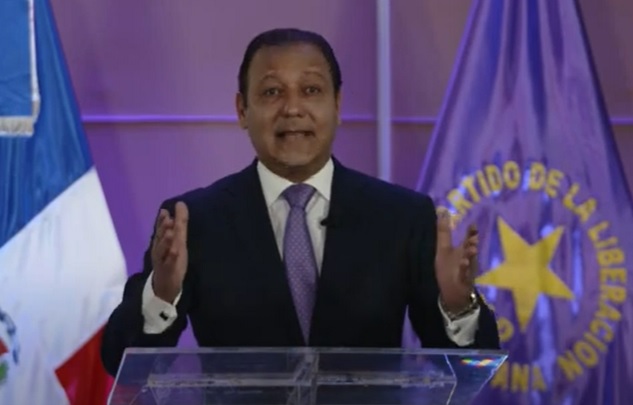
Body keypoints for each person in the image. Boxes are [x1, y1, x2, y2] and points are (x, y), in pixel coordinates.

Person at [100, 27, 500, 377]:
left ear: (337, 104)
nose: (292, 108)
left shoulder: (402, 217)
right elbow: (119, 362)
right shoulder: (193, 221)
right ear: (242, 109)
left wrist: (456, 306)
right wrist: (161, 295)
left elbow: (470, 364)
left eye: (311, 90)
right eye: (272, 92)